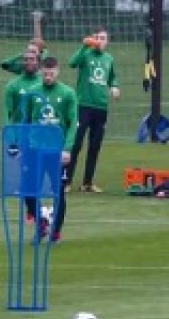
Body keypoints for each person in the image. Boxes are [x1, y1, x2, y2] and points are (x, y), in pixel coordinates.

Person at [15, 57, 78, 242]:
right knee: (27, 189)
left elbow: (73, 123)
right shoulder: (33, 93)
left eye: (51, 74)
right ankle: (41, 222)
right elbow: (25, 121)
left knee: (58, 190)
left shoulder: (67, 93)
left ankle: (56, 230)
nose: (48, 77)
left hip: (56, 151)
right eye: (45, 74)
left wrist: (67, 148)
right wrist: (22, 145)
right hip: (35, 149)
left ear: (57, 72)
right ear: (41, 72)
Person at [67, 30, 118, 193]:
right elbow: (72, 63)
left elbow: (111, 77)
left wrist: (115, 86)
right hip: (83, 106)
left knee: (94, 146)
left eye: (103, 39)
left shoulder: (109, 58)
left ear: (107, 42)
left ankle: (87, 182)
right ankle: (66, 180)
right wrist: (83, 46)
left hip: (101, 108)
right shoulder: (86, 54)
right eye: (97, 38)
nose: (99, 41)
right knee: (76, 144)